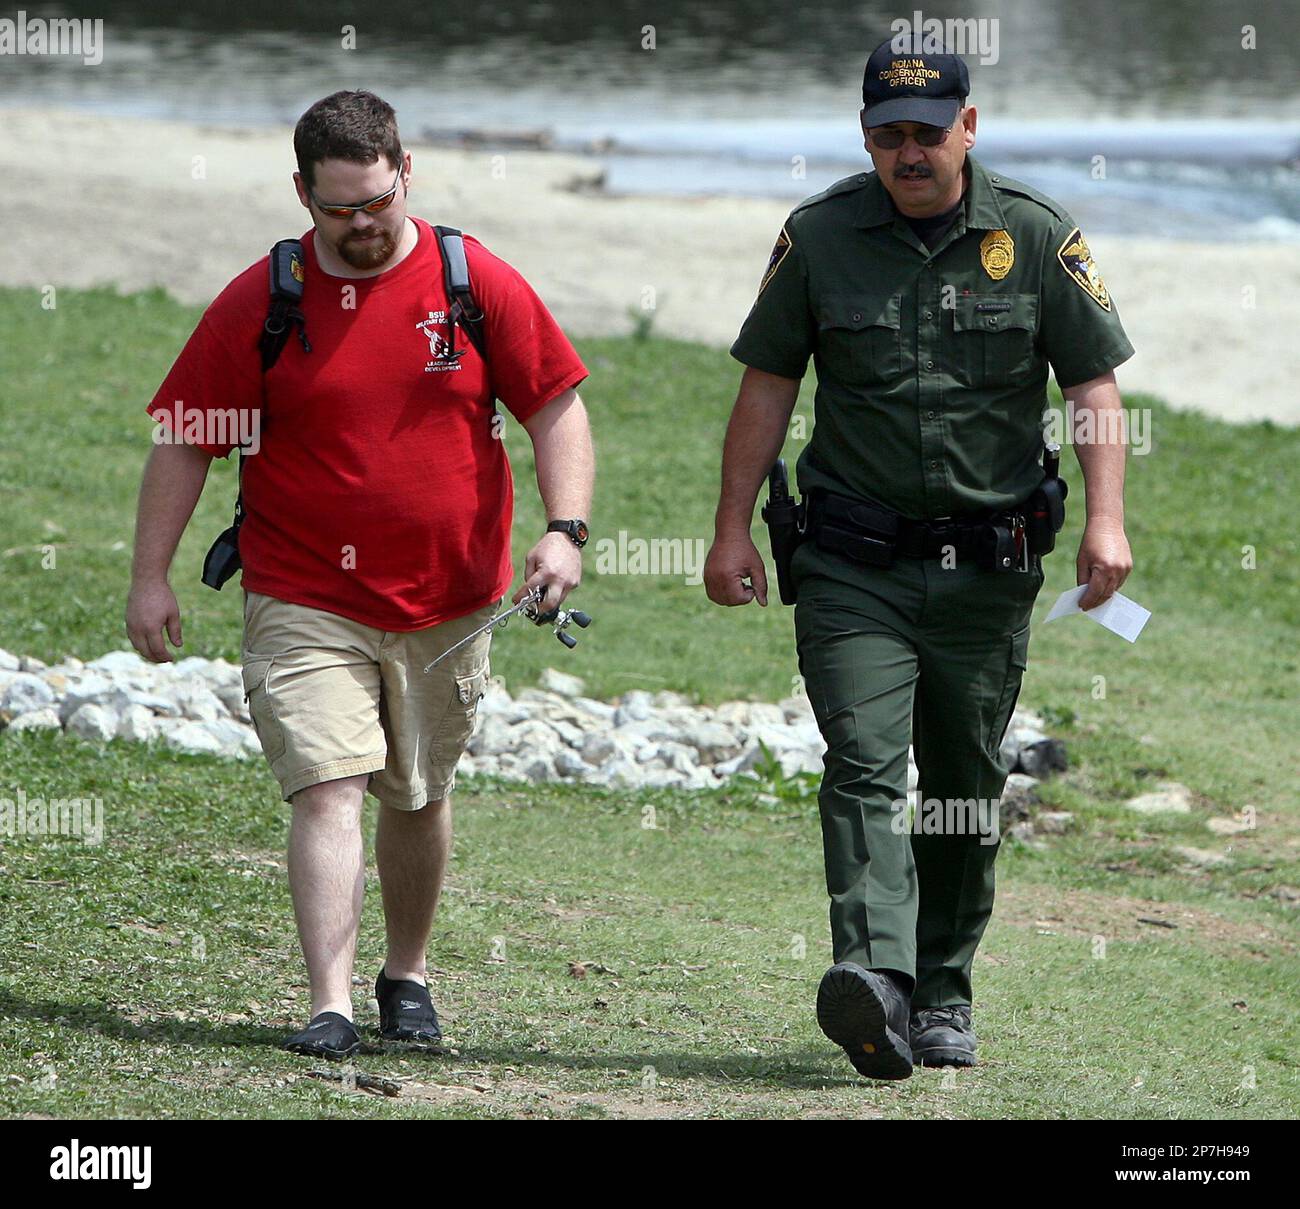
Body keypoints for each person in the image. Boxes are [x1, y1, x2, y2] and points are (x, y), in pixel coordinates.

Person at [125, 90, 594, 1060]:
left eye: (376, 201)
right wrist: (150, 577)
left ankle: (406, 976)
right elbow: (187, 439)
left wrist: (565, 531)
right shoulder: (268, 297)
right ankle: (328, 1005)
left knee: (415, 792)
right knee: (329, 786)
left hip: (446, 601)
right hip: (303, 595)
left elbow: (555, 405)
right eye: (339, 209)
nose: (363, 225)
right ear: (302, 194)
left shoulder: (470, 279)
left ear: (405, 172)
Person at [703, 37, 1134, 1080]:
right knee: (859, 763)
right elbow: (767, 383)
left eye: (927, 134)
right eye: (888, 135)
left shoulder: (1034, 236)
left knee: (960, 782)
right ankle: (875, 981)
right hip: (855, 563)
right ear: (864, 137)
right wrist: (725, 530)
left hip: (988, 570)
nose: (909, 153)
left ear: (967, 128)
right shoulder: (817, 237)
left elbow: (1091, 389)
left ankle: (941, 989)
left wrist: (1106, 522)